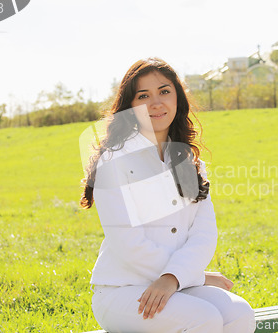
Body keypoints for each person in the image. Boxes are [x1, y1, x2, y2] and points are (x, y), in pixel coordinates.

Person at [79, 57, 256, 333]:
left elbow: (204, 233)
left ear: (177, 98)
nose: (156, 103)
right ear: (130, 106)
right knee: (204, 319)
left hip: (174, 284)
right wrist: (186, 276)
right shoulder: (114, 162)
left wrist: (176, 278)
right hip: (122, 290)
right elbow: (127, 241)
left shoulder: (189, 163)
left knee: (239, 314)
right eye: (143, 96)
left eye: (164, 92)